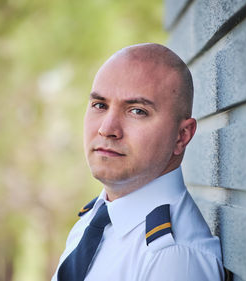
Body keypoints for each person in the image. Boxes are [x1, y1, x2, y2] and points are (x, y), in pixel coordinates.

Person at [51, 43, 224, 281]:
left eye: (137, 111)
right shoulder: (96, 218)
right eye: (100, 105)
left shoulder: (173, 259)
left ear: (181, 136)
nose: (107, 129)